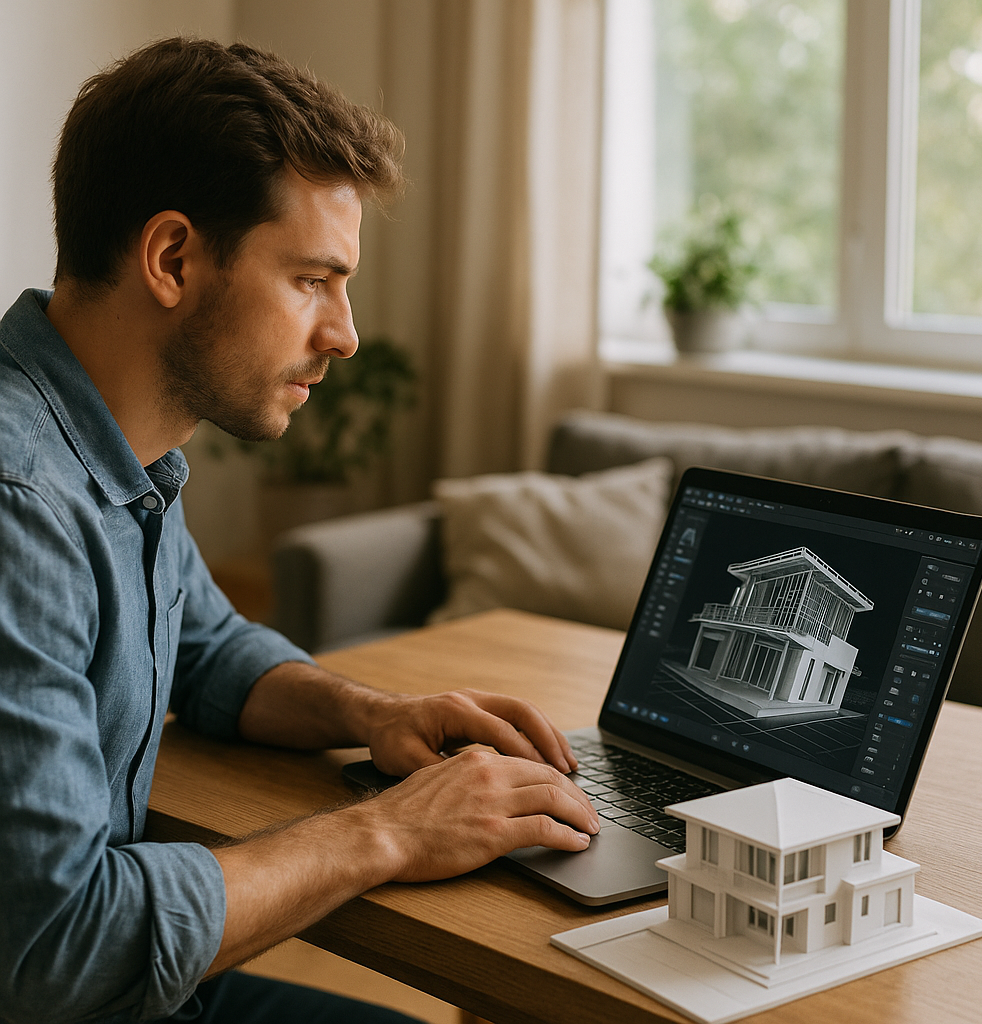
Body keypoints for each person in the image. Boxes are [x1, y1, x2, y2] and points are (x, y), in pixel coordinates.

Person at [0, 37, 598, 1024]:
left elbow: (211, 648)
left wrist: (374, 715)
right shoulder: (22, 501)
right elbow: (54, 948)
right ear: (173, 258)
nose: (345, 332)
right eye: (313, 279)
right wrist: (385, 833)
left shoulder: (114, 454)